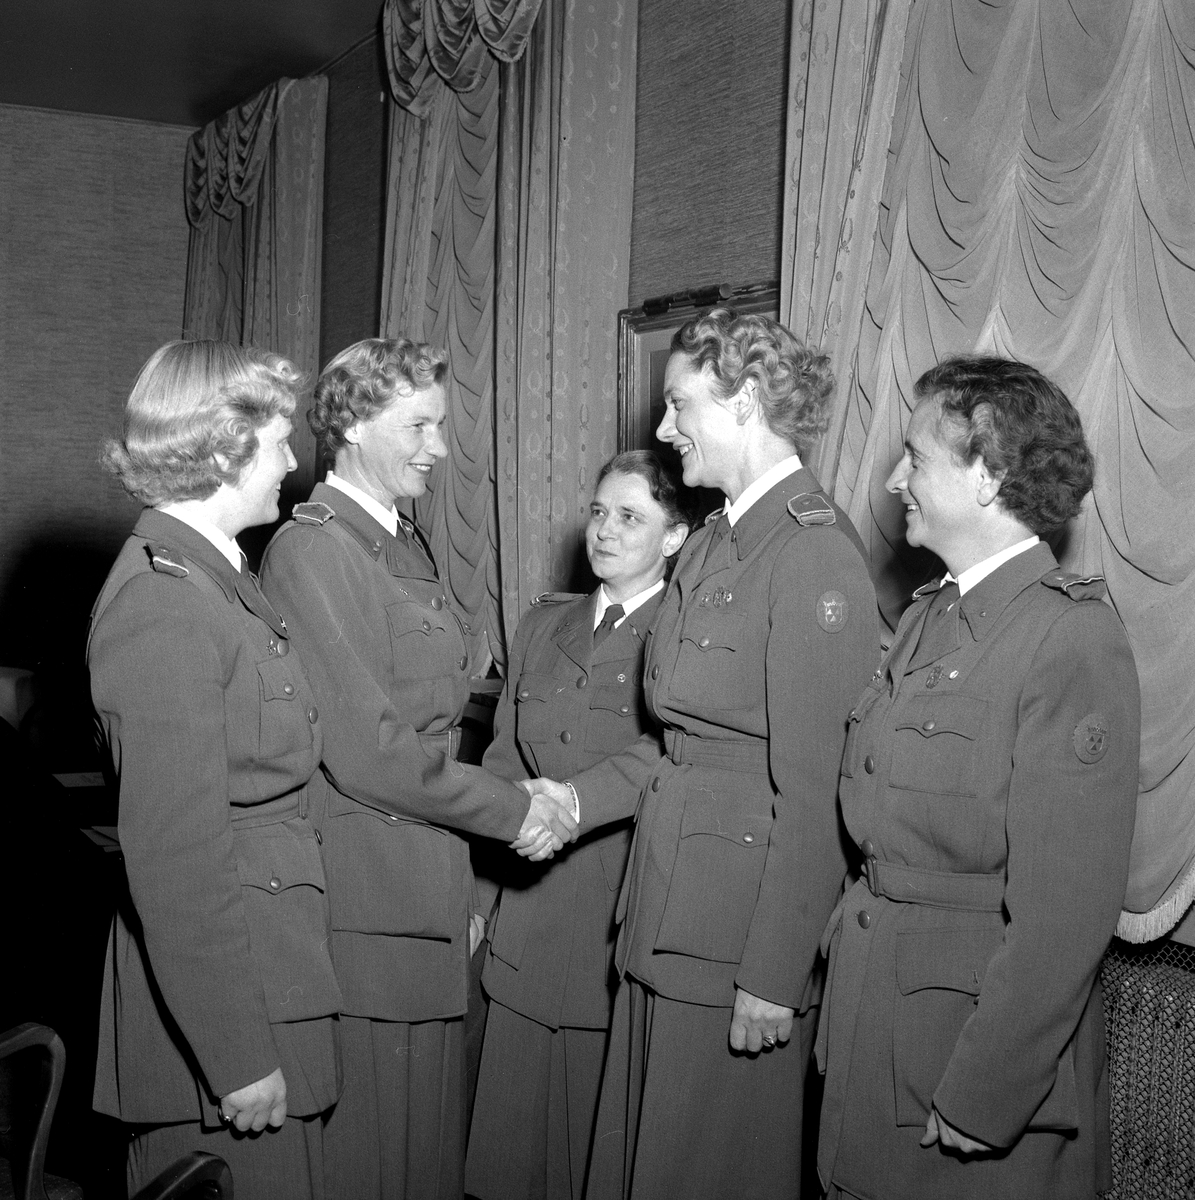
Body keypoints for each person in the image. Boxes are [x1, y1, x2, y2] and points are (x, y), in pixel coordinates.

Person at [528, 308, 880, 1198]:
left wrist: (774, 972)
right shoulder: (717, 541)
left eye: (679, 403)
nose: (662, 427)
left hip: (735, 939)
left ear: (746, 399)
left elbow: (818, 794)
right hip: (663, 913)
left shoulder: (811, 553)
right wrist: (573, 801)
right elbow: (674, 741)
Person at [258, 337, 578, 1200]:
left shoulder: (400, 541)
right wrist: (513, 810)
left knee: (423, 1158)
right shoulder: (315, 551)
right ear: (352, 425)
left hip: (424, 885)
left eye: (440, 424)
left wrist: (465, 880)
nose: (438, 446)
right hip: (367, 895)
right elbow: (372, 751)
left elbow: (430, 731)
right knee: (377, 1159)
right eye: (418, 426)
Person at [816, 356, 1141, 1199]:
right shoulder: (930, 614)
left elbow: (1064, 912)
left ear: (988, 476)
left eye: (916, 459)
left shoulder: (1069, 638)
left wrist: (987, 1091)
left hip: (965, 1060)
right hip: (876, 1025)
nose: (895, 480)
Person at [88, 340, 343, 1199]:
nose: (293, 462)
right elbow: (177, 861)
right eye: (277, 441)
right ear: (227, 450)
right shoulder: (164, 603)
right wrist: (236, 1056)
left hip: (265, 971)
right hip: (224, 1022)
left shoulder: (213, 577)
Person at [465, 450, 691, 1200]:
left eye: (630, 516)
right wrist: (478, 899)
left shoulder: (687, 637)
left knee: (590, 1159)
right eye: (598, 512)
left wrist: (569, 803)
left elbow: (669, 757)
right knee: (503, 1156)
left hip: (615, 925)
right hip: (524, 915)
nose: (605, 530)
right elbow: (500, 762)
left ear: (674, 537)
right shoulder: (542, 625)